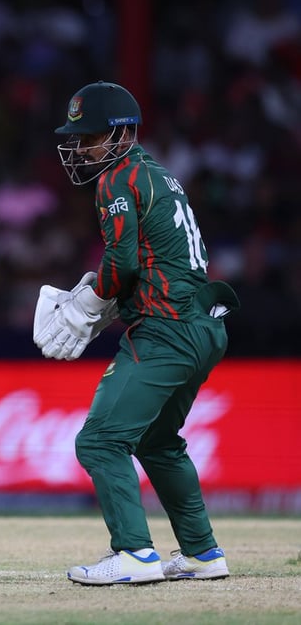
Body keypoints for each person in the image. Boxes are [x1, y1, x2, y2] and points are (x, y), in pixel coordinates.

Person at [32, 81, 239, 586]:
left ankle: (134, 554)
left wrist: (89, 304)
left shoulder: (116, 179)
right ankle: (202, 553)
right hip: (204, 327)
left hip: (166, 330)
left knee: (100, 441)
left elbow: (122, 262)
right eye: (79, 138)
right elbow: (155, 260)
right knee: (157, 441)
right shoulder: (160, 174)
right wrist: (109, 298)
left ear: (122, 133)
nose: (82, 148)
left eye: (91, 136)